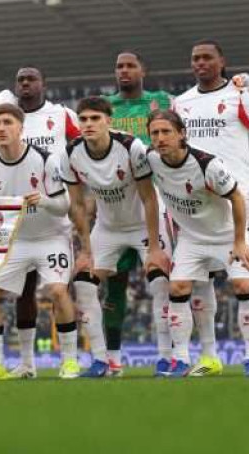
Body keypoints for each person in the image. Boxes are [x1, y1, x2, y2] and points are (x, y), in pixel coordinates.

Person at [174, 39, 249, 377]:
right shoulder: (182, 103)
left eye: (207, 57)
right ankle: (209, 356)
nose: (200, 63)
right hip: (198, 205)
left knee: (247, 276)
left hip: (239, 199)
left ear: (222, 61)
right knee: (200, 281)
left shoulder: (240, 95)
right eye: (195, 58)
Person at [0, 103, 80, 380]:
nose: (1, 128)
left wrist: (44, 201)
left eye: (8, 123)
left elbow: (64, 206)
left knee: (57, 291)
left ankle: (70, 362)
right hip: (13, 240)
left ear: (21, 128)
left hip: (50, 237)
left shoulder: (44, 159)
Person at [146, 109, 249, 377]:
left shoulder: (207, 164)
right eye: (155, 133)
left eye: (166, 132)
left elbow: (236, 198)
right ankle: (181, 360)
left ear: (182, 134)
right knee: (177, 287)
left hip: (226, 234)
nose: (160, 138)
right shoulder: (151, 159)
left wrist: (239, 240)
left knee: (243, 285)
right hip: (192, 238)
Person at [60, 97, 171, 378]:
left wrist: (154, 247)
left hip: (143, 223)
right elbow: (78, 205)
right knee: (83, 282)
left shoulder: (131, 147)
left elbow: (149, 197)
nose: (88, 124)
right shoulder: (71, 152)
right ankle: (102, 361)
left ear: (108, 121)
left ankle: (166, 358)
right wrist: (85, 250)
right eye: (83, 119)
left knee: (160, 282)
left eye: (95, 118)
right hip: (108, 227)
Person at [100, 51, 173, 376]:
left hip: (155, 202)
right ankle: (112, 359)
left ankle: (167, 355)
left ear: (144, 69)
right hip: (117, 206)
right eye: (119, 66)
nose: (124, 71)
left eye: (130, 65)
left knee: (161, 281)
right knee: (114, 286)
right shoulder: (106, 106)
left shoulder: (162, 101)